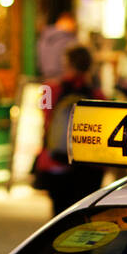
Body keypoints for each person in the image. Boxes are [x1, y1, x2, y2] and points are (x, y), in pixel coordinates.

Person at [35, 45, 105, 216]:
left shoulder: (50, 90)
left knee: (59, 215)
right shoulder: (98, 95)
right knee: (83, 216)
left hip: (57, 162)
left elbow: (44, 116)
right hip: (89, 166)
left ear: (66, 64)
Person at [37, 11, 78, 81]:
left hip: (46, 77)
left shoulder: (45, 36)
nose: (74, 26)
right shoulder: (69, 40)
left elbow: (40, 59)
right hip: (62, 79)